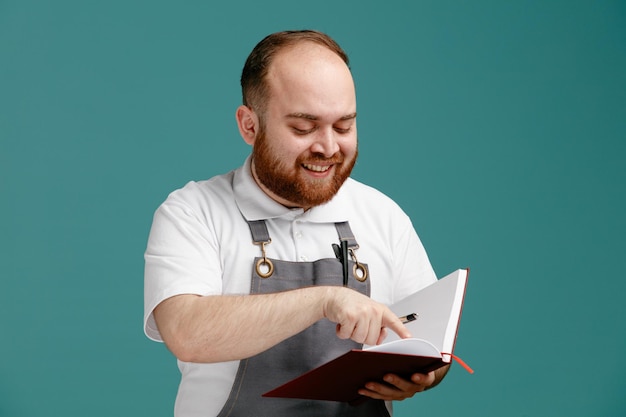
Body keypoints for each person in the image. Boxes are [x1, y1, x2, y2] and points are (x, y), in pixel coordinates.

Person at [144, 30, 448, 417]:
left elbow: (431, 343)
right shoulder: (192, 211)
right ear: (249, 125)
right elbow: (187, 332)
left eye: (344, 126)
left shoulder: (383, 215)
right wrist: (326, 300)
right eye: (304, 128)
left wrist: (425, 373)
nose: (328, 147)